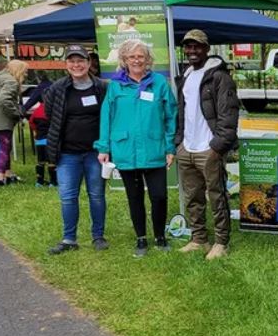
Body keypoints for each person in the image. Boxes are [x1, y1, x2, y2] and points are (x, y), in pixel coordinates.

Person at [95, 40, 177, 257]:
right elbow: (107, 117)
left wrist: (170, 148)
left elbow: (170, 116)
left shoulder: (159, 83)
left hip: (154, 147)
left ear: (148, 59)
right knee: (135, 196)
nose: (137, 60)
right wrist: (103, 147)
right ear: (124, 60)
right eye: (132, 57)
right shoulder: (115, 86)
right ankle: (141, 238)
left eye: (141, 56)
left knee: (159, 195)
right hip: (126, 149)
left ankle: (160, 236)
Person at [175, 29, 239, 260]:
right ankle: (199, 239)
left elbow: (229, 114)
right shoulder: (187, 74)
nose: (192, 51)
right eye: (188, 47)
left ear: (207, 49)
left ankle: (221, 242)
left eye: (197, 46)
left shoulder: (219, 77)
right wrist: (179, 142)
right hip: (187, 147)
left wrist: (217, 146)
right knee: (192, 196)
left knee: (217, 196)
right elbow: (182, 112)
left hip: (208, 148)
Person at [44, 45, 109, 255]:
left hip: (95, 153)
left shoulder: (101, 87)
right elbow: (49, 114)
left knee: (96, 195)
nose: (76, 65)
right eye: (71, 61)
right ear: (66, 65)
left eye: (80, 61)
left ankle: (98, 236)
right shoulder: (57, 89)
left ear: (89, 63)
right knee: (68, 196)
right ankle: (69, 238)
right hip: (67, 154)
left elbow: (109, 116)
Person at [0, 60, 28, 186]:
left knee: (2, 145)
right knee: (5, 147)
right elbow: (4, 99)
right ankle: (0, 176)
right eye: (24, 71)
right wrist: (15, 113)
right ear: (18, 70)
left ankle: (7, 173)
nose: (26, 74)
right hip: (3, 119)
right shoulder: (11, 81)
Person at [28, 101, 57, 187]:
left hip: (39, 141)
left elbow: (31, 121)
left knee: (40, 161)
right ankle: (53, 182)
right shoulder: (53, 110)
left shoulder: (37, 110)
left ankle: (39, 182)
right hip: (50, 140)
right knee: (51, 162)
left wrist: (35, 130)